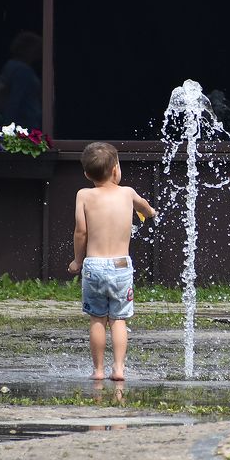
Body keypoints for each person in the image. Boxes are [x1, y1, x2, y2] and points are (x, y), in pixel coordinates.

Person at [68, 142, 157, 381]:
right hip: (120, 266)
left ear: (87, 174)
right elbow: (146, 208)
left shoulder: (84, 195)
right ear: (116, 170)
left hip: (94, 265)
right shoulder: (127, 193)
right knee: (118, 320)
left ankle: (98, 371)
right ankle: (118, 368)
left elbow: (81, 232)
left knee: (97, 319)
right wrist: (151, 213)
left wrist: (78, 260)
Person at [0, 31, 43, 129]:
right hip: (24, 125)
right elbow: (14, 100)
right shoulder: (22, 70)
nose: (39, 52)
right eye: (36, 48)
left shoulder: (11, 65)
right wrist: (8, 126)